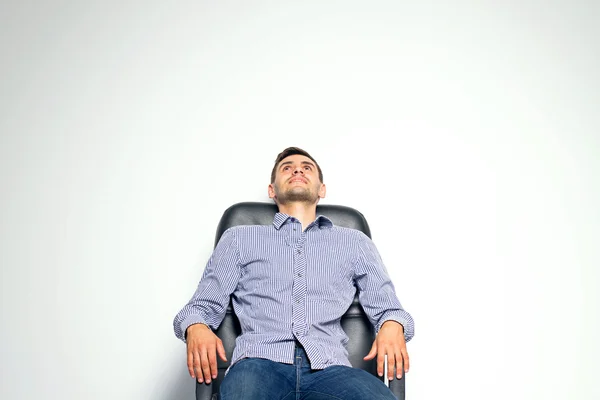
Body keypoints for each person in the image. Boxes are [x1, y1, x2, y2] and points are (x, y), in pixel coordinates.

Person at [173, 147, 414, 400]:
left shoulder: (355, 242)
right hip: (258, 364)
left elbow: (390, 308)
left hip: (331, 368)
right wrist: (197, 326)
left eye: (306, 167)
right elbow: (199, 307)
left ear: (322, 189)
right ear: (271, 190)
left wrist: (392, 324)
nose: (297, 169)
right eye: (287, 168)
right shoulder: (238, 239)